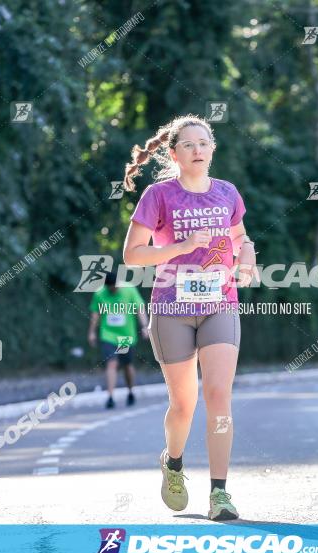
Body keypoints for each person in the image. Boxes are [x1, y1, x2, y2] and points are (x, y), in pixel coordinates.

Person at [121, 115, 258, 521]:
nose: (198, 150)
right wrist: (181, 246)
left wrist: (247, 259)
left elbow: (241, 238)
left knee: (219, 397)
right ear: (174, 153)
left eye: (204, 143)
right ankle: (174, 463)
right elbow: (133, 255)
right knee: (184, 404)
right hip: (171, 309)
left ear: (213, 149)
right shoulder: (158, 196)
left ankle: (219, 494)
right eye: (189, 145)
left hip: (220, 303)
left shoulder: (228, 193)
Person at [87, 271, 149, 409]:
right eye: (110, 288)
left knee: (126, 364)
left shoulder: (129, 289)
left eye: (115, 287)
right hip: (108, 335)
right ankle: (110, 397)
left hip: (125, 336)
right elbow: (95, 314)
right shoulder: (100, 293)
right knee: (111, 363)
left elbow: (140, 308)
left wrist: (145, 326)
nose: (113, 290)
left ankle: (131, 391)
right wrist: (91, 332)